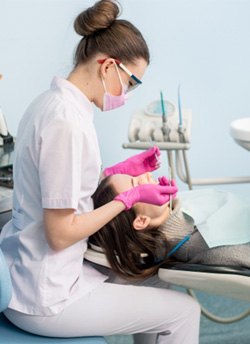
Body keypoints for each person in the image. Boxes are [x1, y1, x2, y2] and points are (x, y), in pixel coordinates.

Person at [0, 1, 200, 343]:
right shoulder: (67, 123)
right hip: (47, 297)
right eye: (132, 82)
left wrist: (119, 171)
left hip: (30, 271)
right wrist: (128, 198)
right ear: (108, 66)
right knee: (185, 311)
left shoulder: (52, 104)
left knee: (153, 277)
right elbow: (61, 234)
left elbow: (61, 186)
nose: (129, 93)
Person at [91, 172, 250, 279]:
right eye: (136, 184)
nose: (147, 174)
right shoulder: (203, 243)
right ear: (142, 221)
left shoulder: (181, 210)